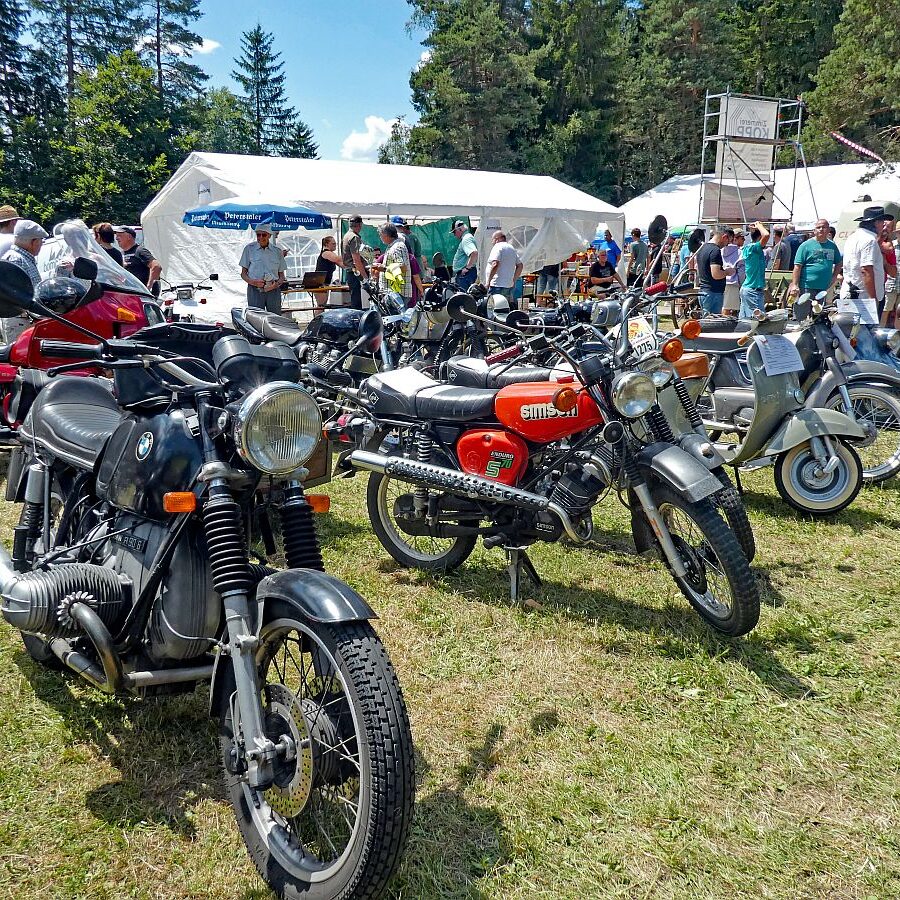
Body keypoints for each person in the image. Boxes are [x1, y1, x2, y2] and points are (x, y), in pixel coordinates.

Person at [839, 206, 895, 324]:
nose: (883, 226)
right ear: (876, 222)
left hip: (851, 292)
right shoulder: (869, 240)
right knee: (866, 337)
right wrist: (872, 299)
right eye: (882, 222)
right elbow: (866, 270)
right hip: (863, 298)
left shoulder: (853, 237)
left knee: (850, 334)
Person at [1, 219, 47, 342]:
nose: (41, 244)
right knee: (21, 358)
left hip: (28, 320)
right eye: (40, 240)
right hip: (21, 322)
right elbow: (16, 296)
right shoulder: (15, 259)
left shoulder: (23, 258)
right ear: (33, 241)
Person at [788, 219, 842, 302]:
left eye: (824, 227)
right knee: (802, 313)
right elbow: (797, 266)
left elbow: (839, 262)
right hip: (806, 286)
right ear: (814, 231)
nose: (821, 229)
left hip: (824, 287)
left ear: (828, 230)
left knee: (819, 313)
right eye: (818, 227)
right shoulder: (805, 245)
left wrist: (834, 276)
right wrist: (795, 284)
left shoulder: (832, 246)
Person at [239, 222, 286, 314]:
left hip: (273, 290)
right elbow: (243, 274)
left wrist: (275, 285)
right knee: (256, 318)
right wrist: (253, 282)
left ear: (269, 235)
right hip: (255, 289)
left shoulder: (277, 252)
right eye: (258, 235)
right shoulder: (249, 249)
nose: (260, 237)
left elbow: (282, 276)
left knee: (275, 319)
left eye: (263, 235)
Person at [695, 227, 735, 314]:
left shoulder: (702, 248)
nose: (726, 245)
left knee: (705, 322)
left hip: (704, 291)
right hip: (713, 293)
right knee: (713, 325)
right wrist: (728, 272)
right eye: (728, 242)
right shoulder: (715, 251)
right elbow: (716, 274)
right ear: (724, 237)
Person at [374, 222, 412, 304]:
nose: (380, 237)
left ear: (386, 234)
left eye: (381, 235)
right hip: (393, 293)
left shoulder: (398, 247)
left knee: (396, 316)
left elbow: (403, 268)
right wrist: (382, 266)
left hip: (398, 293)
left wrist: (384, 268)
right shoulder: (392, 246)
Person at [115, 226, 161, 292]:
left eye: (119, 235)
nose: (116, 238)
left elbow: (156, 266)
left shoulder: (140, 251)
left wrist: (149, 287)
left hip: (142, 294)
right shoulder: (121, 254)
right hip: (130, 293)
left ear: (129, 237)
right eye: (116, 236)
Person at [739, 221, 770, 319]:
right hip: (753, 291)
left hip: (748, 289)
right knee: (758, 322)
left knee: (744, 322)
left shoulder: (749, 248)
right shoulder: (754, 248)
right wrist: (759, 225)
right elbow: (766, 235)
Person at [485, 231, 523, 303]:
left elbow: (495, 264)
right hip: (508, 285)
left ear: (497, 239)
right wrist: (514, 280)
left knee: (494, 308)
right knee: (505, 308)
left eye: (492, 240)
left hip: (496, 285)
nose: (492, 242)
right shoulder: (511, 248)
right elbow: (520, 265)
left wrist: (488, 282)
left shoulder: (497, 247)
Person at [341, 214, 368, 310]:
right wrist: (365, 277)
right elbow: (356, 260)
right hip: (356, 272)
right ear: (360, 225)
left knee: (355, 299)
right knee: (358, 302)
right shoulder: (354, 237)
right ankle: (359, 322)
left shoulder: (346, 236)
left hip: (350, 271)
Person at [879, 219, 898, 325]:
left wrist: (885, 262)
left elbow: (893, 271)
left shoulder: (890, 246)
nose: (885, 228)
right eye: (884, 225)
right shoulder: (872, 240)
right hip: (868, 286)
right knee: (884, 312)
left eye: (889, 227)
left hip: (882, 285)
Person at [450, 219, 478, 290]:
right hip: (466, 274)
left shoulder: (466, 239)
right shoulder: (467, 238)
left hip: (466, 275)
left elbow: (474, 253)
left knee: (463, 298)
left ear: (459, 229)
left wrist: (467, 268)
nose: (454, 234)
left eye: (454, 232)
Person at [721, 229, 740, 313]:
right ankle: (725, 326)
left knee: (724, 307)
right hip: (733, 282)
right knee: (728, 309)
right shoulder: (739, 252)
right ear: (734, 238)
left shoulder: (720, 250)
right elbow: (741, 270)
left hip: (720, 280)